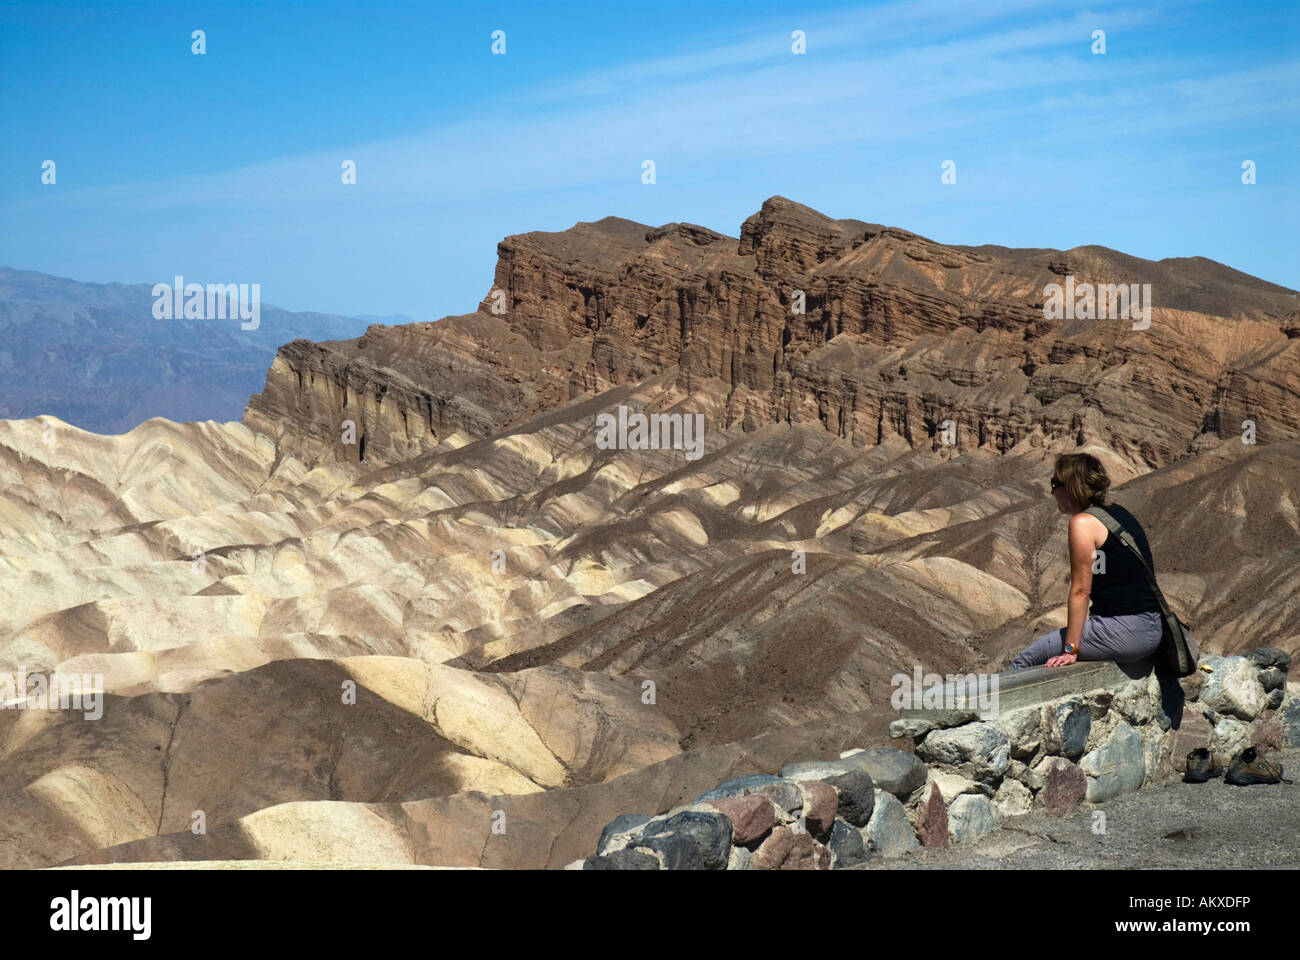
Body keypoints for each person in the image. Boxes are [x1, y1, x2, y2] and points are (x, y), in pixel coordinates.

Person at [1009, 453, 1164, 670]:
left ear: (1072, 487)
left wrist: (1070, 649)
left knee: (1022, 662)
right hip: (1153, 627)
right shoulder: (1117, 514)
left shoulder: (1082, 523)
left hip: (1124, 632)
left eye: (1055, 483)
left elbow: (1081, 591)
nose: (1052, 491)